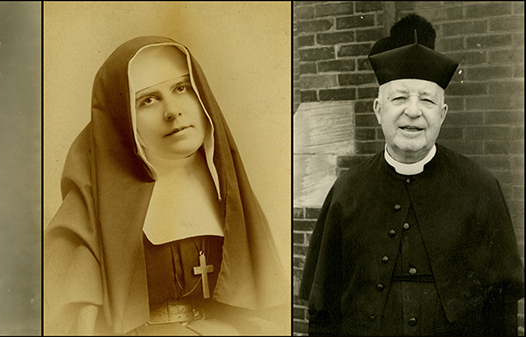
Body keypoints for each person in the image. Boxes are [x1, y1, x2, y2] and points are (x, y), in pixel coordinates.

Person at [298, 14, 525, 336]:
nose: (414, 111)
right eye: (400, 98)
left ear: (442, 114)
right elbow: (323, 306)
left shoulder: (481, 187)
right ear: (379, 110)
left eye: (428, 100)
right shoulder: (347, 190)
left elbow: (502, 306)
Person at [44, 36, 287, 335]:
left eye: (182, 88)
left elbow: (262, 305)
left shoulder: (228, 193)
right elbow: (75, 323)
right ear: (123, 119)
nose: (172, 111)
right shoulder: (88, 215)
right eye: (148, 100)